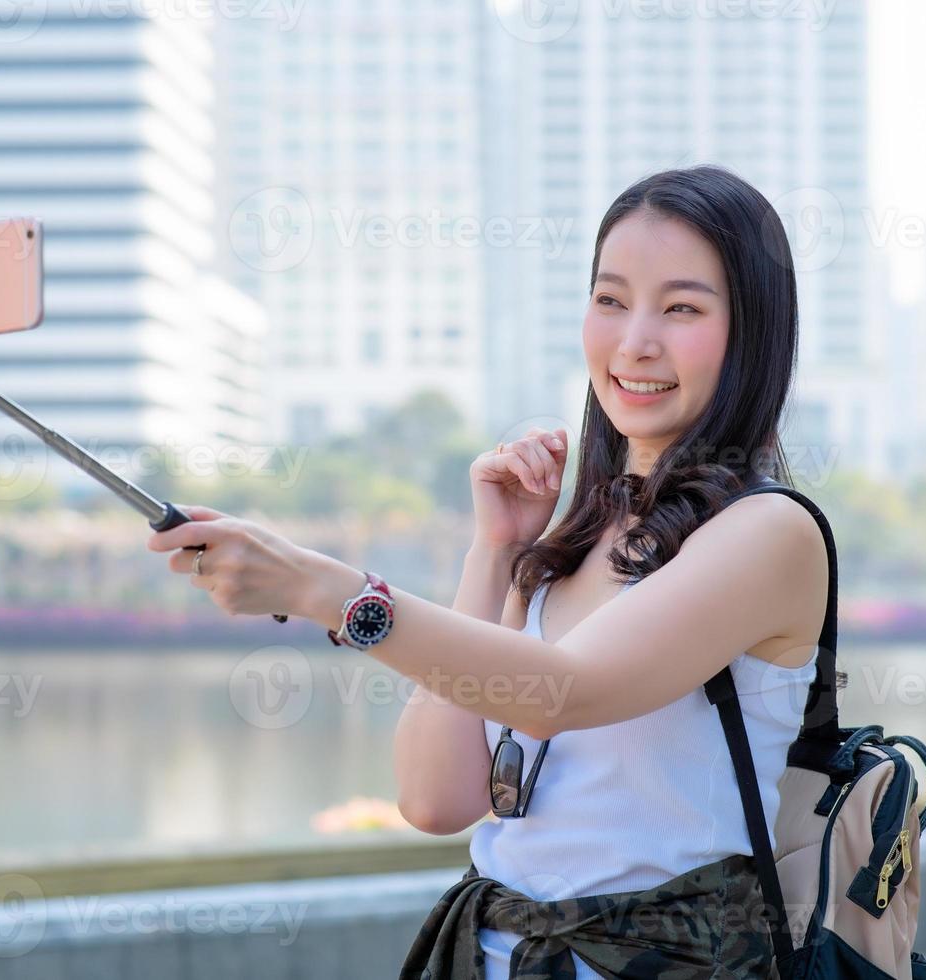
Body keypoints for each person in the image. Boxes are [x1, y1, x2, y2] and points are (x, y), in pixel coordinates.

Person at [147, 163, 828, 978]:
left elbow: (561, 693)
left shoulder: (768, 532)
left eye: (681, 308)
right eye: (610, 300)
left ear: (750, 331)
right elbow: (436, 798)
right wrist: (495, 552)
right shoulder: (574, 536)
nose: (634, 339)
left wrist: (322, 590)